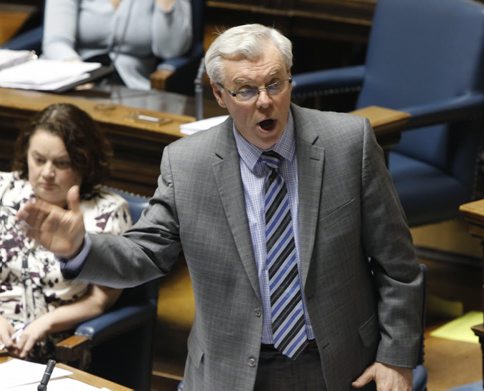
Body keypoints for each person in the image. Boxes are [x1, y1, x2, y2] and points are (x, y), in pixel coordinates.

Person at [18, 24, 424, 390]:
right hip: (231, 371)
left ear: (290, 81)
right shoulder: (187, 164)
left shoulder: (348, 143)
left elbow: (398, 265)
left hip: (338, 365)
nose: (265, 102)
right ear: (219, 95)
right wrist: (79, 248)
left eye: (275, 84)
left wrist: (398, 357)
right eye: (246, 90)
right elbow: (143, 254)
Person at [0, 103, 131, 363]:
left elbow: (99, 301)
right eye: (38, 159)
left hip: (51, 348)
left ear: (85, 163)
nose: (47, 173)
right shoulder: (4, 188)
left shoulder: (107, 212)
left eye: (61, 163)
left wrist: (45, 324)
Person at [42, 0, 193, 90]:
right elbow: (56, 42)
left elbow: (171, 50)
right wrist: (78, 75)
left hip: (132, 86)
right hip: (73, 77)